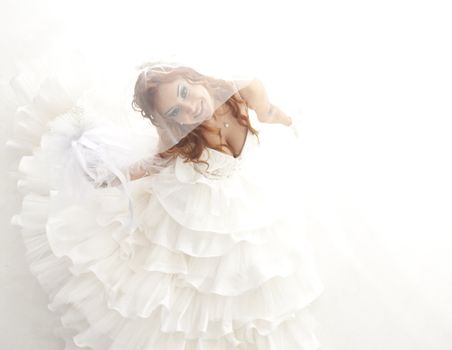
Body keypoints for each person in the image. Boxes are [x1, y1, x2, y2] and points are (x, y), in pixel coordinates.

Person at [10, 60, 324, 349]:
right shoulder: (181, 135)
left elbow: (268, 112)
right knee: (196, 278)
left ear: (193, 76)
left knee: (260, 271)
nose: (190, 108)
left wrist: (291, 121)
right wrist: (112, 177)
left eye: (185, 92)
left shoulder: (243, 87)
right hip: (203, 205)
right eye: (176, 111)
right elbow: (155, 162)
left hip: (248, 193)